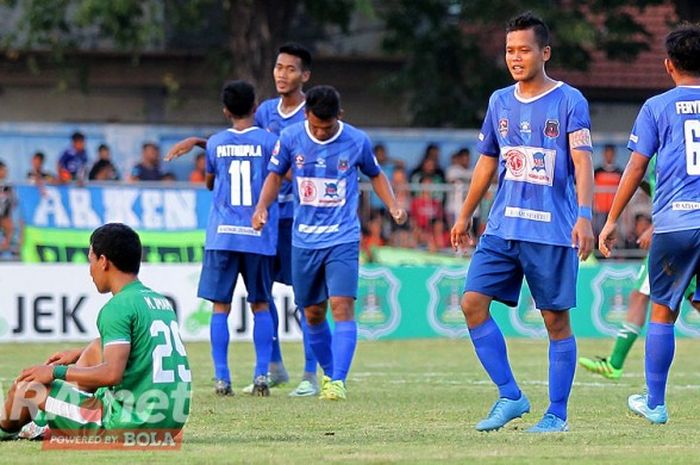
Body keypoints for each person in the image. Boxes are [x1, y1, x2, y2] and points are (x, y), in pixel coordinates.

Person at [450, 12, 595, 433]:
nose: (515, 57)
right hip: (501, 228)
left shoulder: (570, 100)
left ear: (544, 52)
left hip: (551, 230)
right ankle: (510, 395)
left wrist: (585, 216)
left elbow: (583, 163)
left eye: (524, 50)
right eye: (510, 50)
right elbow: (486, 163)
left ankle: (557, 414)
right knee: (471, 303)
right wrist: (465, 213)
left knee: (555, 321)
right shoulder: (498, 101)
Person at [165, 43, 317, 397]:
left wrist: (206, 145)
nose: (281, 73)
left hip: (295, 218)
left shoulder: (315, 112)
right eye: (278, 67)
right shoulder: (265, 111)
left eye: (290, 69)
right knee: (263, 298)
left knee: (306, 298)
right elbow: (247, 141)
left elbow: (234, 146)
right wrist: (199, 141)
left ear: (305, 75)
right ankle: (274, 367)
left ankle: (311, 373)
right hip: (261, 222)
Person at [252, 85, 407, 400]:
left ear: (340, 116)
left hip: (343, 236)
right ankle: (328, 372)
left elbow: (375, 174)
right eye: (315, 126)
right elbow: (273, 175)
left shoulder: (356, 140)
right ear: (306, 114)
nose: (321, 133)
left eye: (328, 127)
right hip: (304, 239)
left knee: (341, 305)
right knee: (312, 313)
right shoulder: (292, 137)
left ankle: (337, 380)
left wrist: (392, 203)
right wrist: (261, 207)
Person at [0, 223, 191, 441]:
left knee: (26, 388)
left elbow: (112, 374)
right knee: (94, 348)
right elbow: (141, 347)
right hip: (169, 422)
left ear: (103, 261)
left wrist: (55, 372)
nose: (90, 270)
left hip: (128, 424)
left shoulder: (116, 307)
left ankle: (10, 429)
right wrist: (79, 353)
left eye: (90, 259)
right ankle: (42, 423)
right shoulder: (160, 301)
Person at [598, 24, 700, 425]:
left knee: (662, 312)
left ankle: (655, 404)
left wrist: (609, 220)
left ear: (668, 65)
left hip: (675, 223)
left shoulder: (657, 107)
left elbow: (637, 166)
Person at [196, 80, 280, 397]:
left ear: (226, 110)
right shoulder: (270, 141)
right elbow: (281, 177)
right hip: (257, 235)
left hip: (223, 236)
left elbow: (209, 181)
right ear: (256, 108)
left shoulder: (216, 143)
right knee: (261, 304)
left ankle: (222, 378)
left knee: (221, 307)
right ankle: (261, 376)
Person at [593, 144, 623, 237]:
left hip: (615, 210)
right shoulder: (597, 172)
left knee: (614, 235)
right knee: (599, 232)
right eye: (607, 153)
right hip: (600, 210)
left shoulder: (620, 172)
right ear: (604, 154)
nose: (609, 156)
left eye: (611, 154)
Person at [0, 161, 15, 252]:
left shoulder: (8, 185)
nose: (5, 172)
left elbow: (13, 201)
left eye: (5, 170)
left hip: (5, 215)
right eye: (3, 170)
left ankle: (6, 245)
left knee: (9, 226)